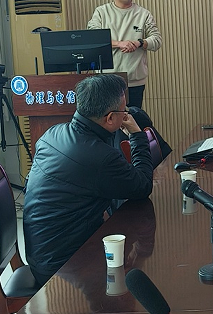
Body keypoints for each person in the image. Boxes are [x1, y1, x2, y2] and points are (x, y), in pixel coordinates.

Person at [23, 74, 154, 287]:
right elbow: (143, 186)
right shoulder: (99, 157)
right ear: (110, 118)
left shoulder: (53, 133)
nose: (126, 115)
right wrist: (137, 135)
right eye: (124, 111)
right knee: (145, 268)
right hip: (65, 264)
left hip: (41, 253)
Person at [87, 0, 162, 108]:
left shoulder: (143, 14)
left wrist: (140, 43)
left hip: (134, 81)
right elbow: (93, 39)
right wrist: (119, 44)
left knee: (132, 117)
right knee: (108, 118)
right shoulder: (102, 12)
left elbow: (157, 40)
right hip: (107, 79)